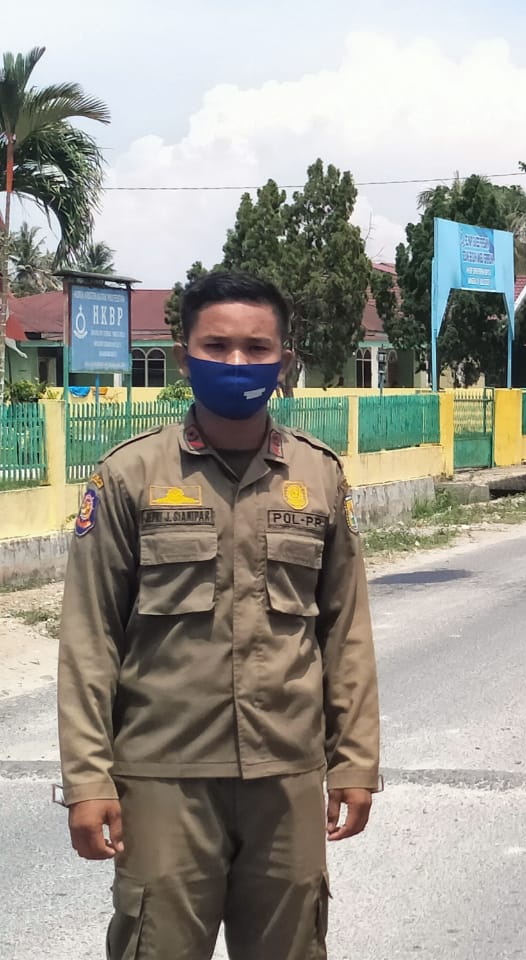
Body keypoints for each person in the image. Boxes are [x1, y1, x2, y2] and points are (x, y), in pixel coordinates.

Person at [58, 270, 381, 960]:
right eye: (218, 345)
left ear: (284, 360)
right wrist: (87, 779)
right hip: (163, 777)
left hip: (286, 778)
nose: (237, 362)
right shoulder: (129, 477)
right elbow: (90, 636)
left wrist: (354, 762)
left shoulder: (319, 477)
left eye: (257, 348)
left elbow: (344, 628)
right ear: (183, 353)